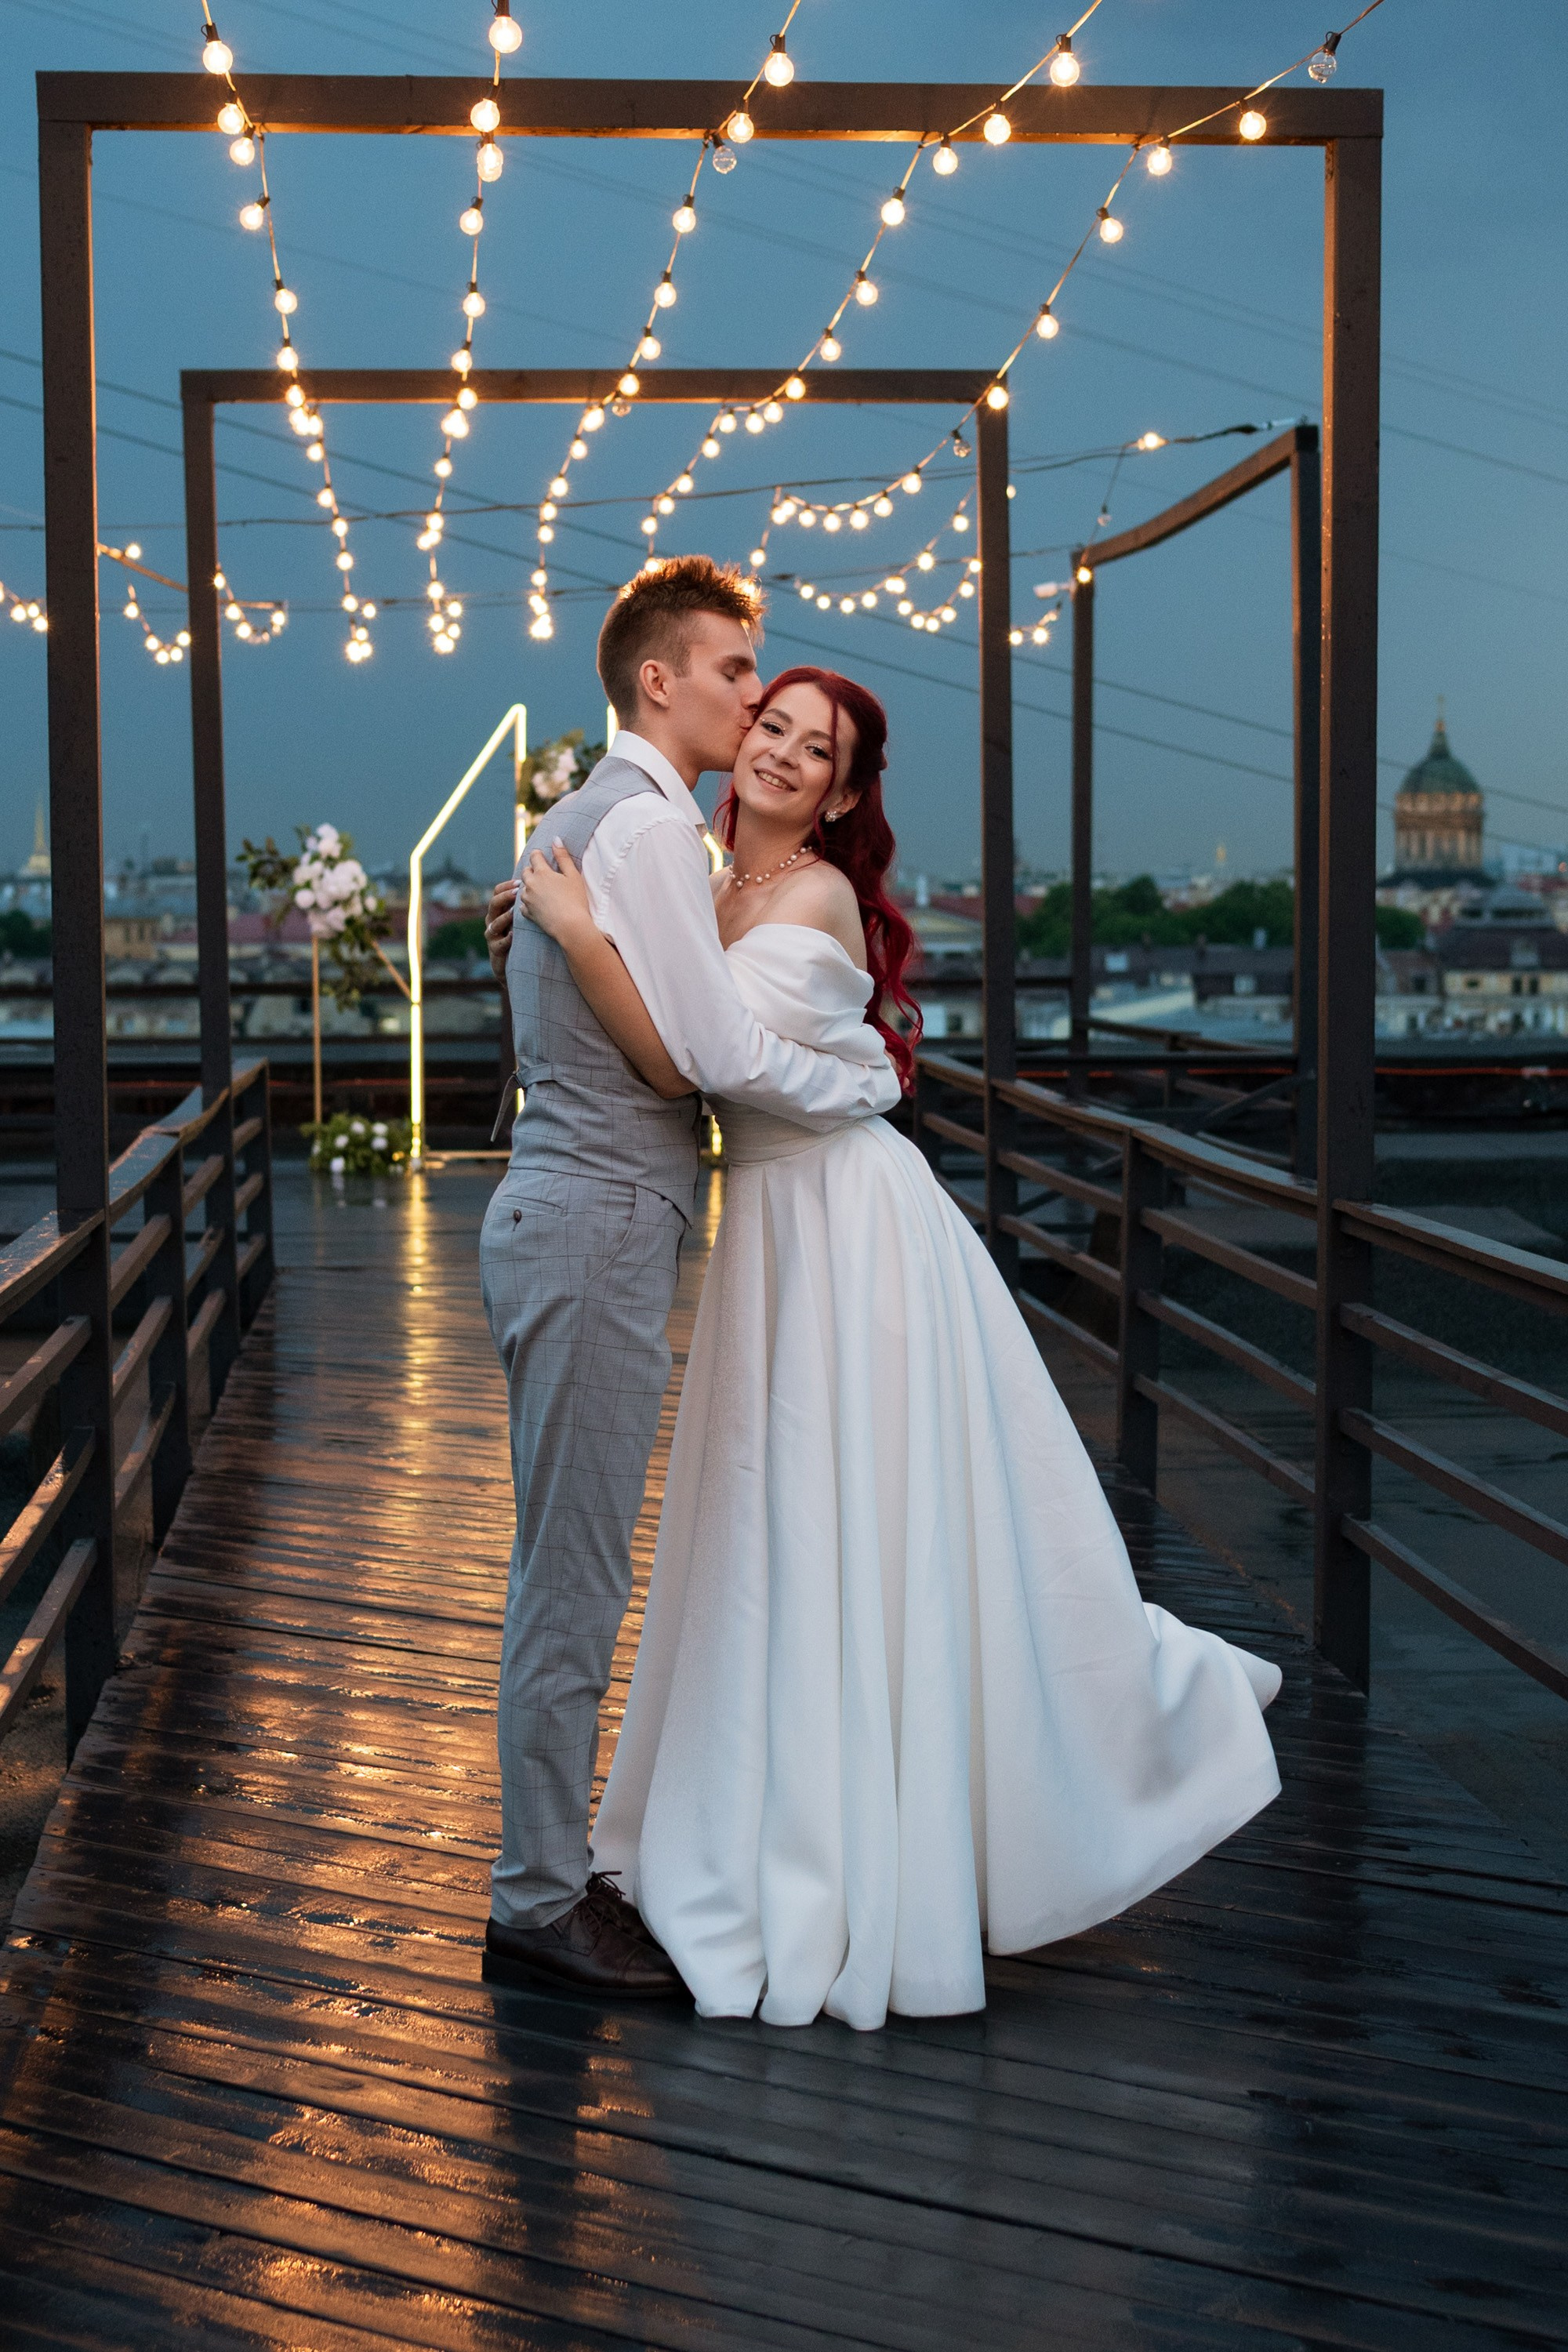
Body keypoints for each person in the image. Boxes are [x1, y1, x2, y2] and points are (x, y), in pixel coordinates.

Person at [515, 662, 1283, 2031]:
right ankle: (788, 1805)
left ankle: (1044, 1769)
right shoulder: (699, 874)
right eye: (775, 729)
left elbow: (714, 1059)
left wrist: (588, 940)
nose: (783, 755)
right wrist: (566, 916)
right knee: (782, 1533)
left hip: (851, 1230)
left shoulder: (808, 897)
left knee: (849, 1520)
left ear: (846, 793)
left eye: (819, 752)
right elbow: (675, 980)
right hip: (776, 1230)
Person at [480, 564, 901, 2002]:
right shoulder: (651, 832)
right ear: (661, 679)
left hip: (577, 1213)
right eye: (736, 671)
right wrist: (854, 1080)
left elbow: (648, 1015)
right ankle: (537, 1902)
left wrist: (565, 940)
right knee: (576, 1575)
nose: (753, 697)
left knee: (569, 1560)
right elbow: (692, 1057)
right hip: (596, 1220)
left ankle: (548, 1869)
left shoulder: (604, 825)